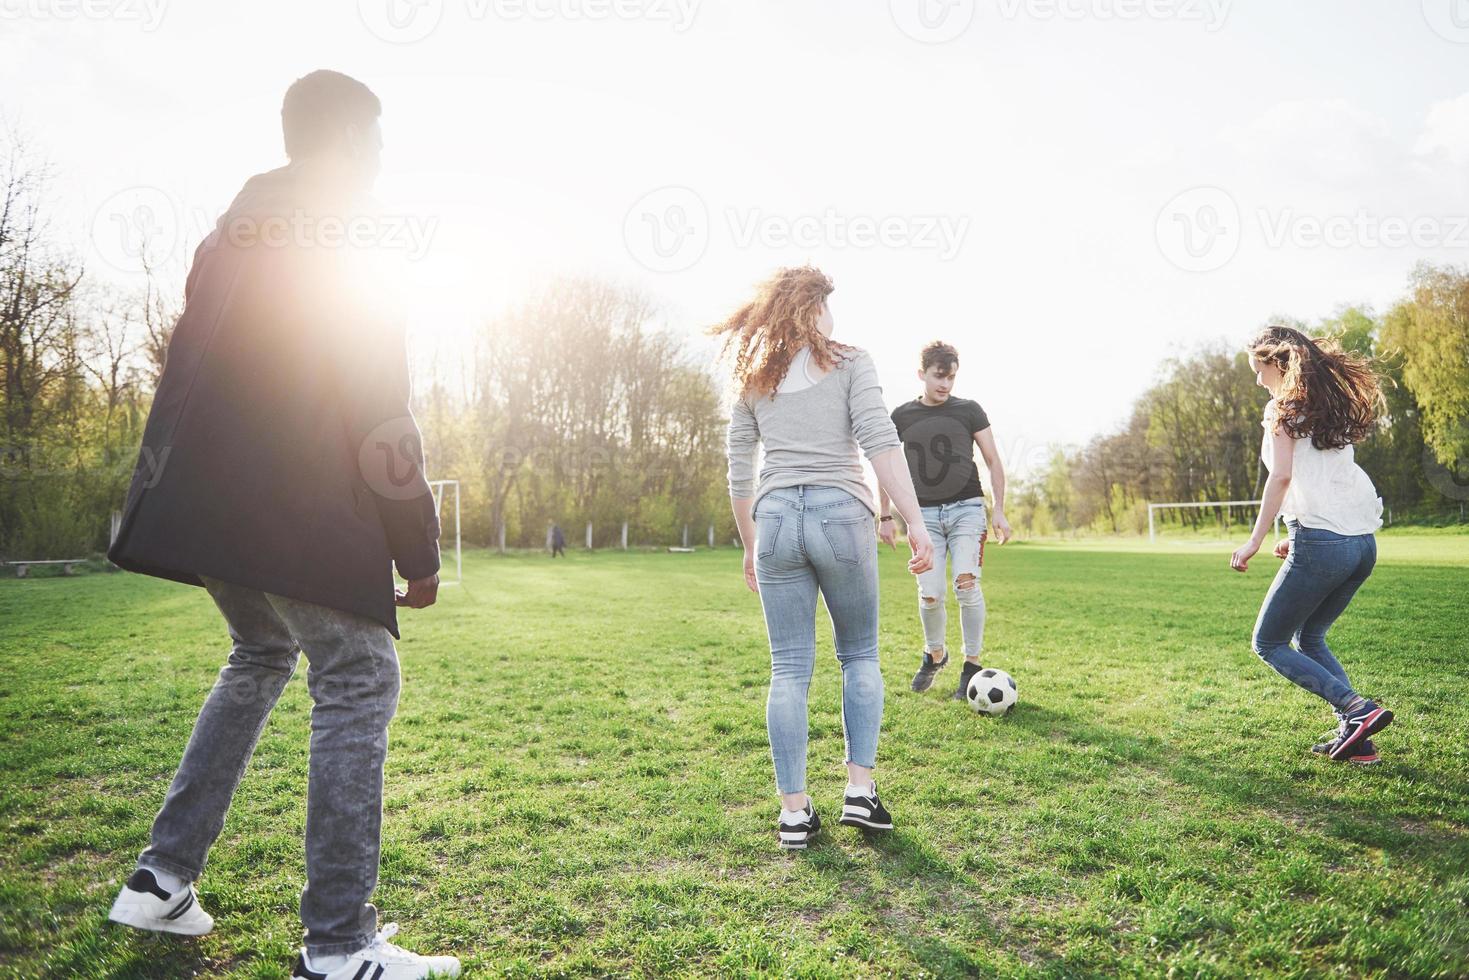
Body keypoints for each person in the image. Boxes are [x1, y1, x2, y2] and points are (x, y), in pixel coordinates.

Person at [104, 70, 460, 980]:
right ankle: (340, 945)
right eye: (376, 140)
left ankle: (160, 878)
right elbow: (382, 414)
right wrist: (417, 550)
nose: (382, 159)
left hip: (209, 509)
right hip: (298, 509)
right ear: (345, 142)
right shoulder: (352, 235)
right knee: (358, 675)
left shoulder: (230, 235)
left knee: (261, 654)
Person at [713, 266, 934, 850]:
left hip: (777, 519)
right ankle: (859, 792)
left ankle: (794, 814)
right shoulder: (852, 361)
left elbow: (740, 474)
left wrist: (749, 542)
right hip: (842, 513)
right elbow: (880, 441)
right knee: (859, 654)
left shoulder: (753, 381)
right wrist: (915, 522)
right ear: (815, 309)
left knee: (788, 669)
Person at [1230, 325, 1393, 765]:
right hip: (1359, 544)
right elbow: (1318, 479)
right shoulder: (1327, 407)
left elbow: (1281, 477)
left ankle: (1359, 710)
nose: (1258, 380)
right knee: (1311, 637)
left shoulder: (1281, 410)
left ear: (1278, 364)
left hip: (1324, 542)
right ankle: (1358, 738)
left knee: (1269, 643)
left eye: (1259, 370)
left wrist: (1254, 540)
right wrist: (1294, 536)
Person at [878, 341, 1012, 701]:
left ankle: (971, 665)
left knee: (966, 585)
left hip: (967, 508)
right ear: (921, 374)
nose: (946, 384)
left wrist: (998, 509)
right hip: (922, 518)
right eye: (939, 376)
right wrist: (885, 514)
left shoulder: (969, 410)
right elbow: (886, 466)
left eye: (951, 377)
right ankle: (935, 654)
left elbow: (993, 460)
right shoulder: (901, 416)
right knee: (930, 593)